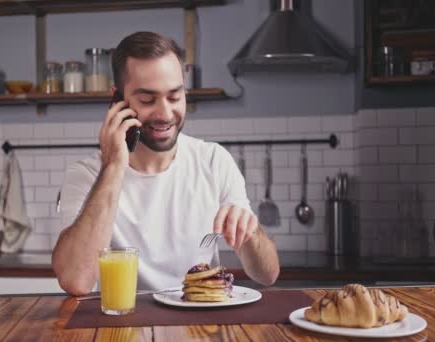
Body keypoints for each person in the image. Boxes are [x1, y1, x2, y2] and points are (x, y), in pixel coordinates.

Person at [53, 31, 279, 296]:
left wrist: (250, 231)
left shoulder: (213, 161)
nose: (165, 114)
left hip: (201, 326)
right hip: (123, 327)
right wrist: (114, 166)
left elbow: (267, 275)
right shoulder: (86, 175)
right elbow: (76, 281)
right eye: (147, 100)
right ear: (117, 100)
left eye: (174, 97)